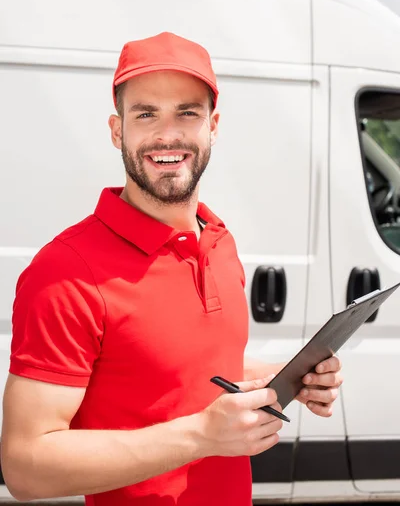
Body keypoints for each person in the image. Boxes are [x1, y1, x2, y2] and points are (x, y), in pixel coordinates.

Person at [1, 32, 343, 505]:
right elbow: (24, 467)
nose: (168, 134)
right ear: (117, 130)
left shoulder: (218, 240)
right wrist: (201, 436)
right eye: (146, 114)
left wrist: (289, 375)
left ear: (213, 126)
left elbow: (181, 365)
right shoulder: (64, 272)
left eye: (187, 112)